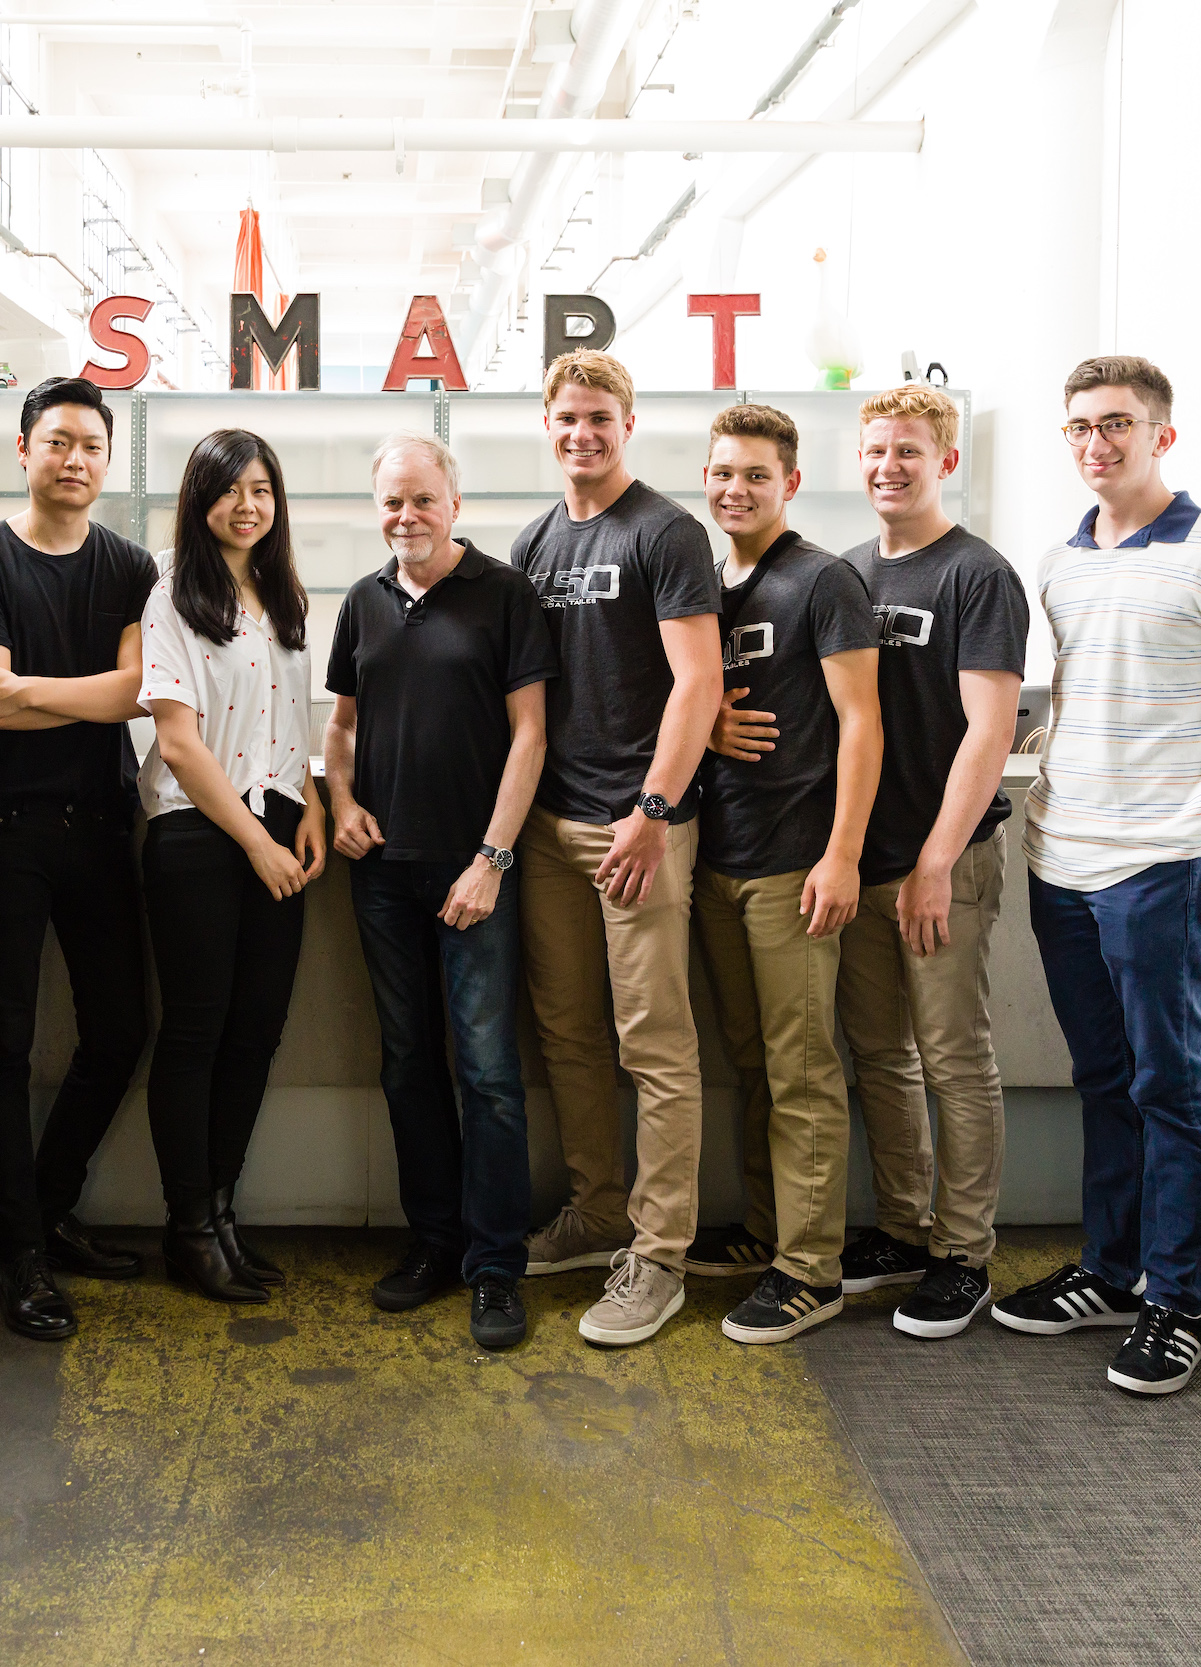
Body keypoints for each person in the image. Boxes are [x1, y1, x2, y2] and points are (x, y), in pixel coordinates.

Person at [992, 356, 1201, 1396]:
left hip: (1160, 863)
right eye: (1078, 426)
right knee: (1101, 1078)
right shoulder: (1061, 561)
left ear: (1162, 433)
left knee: (1167, 1082)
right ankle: (1111, 1272)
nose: (1094, 443)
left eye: (1116, 423)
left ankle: (1175, 1298)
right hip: (1060, 856)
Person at [508, 350, 724, 1350]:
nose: (580, 433)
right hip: (551, 826)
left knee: (655, 1045)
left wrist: (652, 806)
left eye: (598, 416)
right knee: (566, 1033)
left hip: (635, 824)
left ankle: (659, 1253)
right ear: (545, 424)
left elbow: (697, 683)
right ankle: (595, 1212)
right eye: (565, 417)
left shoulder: (665, 531)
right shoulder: (536, 539)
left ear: (627, 422)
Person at [326, 432, 556, 1352]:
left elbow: (530, 735)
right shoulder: (362, 601)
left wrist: (491, 860)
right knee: (407, 1063)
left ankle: (495, 1267)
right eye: (391, 503)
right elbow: (339, 724)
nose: (406, 517)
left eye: (422, 499)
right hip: (383, 873)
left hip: (476, 872)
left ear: (453, 502)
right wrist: (340, 800)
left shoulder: (503, 595)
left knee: (490, 1074)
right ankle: (435, 1242)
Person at [0, 377, 158, 1342]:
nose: (75, 461)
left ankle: (46, 1203)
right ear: (23, 449)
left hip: (103, 822)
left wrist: (33, 688)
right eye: (59, 442)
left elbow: (136, 696)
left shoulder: (131, 565)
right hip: (3, 825)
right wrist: (88, 691)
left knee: (121, 1027)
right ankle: (17, 1255)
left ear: (107, 463)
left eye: (92, 448)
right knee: (5, 1041)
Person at [826, 385, 1029, 1340]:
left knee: (953, 1055)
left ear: (945, 461)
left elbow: (989, 732)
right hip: (864, 861)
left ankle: (963, 1251)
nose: (888, 466)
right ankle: (904, 1229)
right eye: (874, 450)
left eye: (908, 450)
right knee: (880, 1053)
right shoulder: (853, 574)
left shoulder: (976, 575)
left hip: (943, 859)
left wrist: (937, 860)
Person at [691, 403, 882, 1346]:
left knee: (803, 1068)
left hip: (794, 862)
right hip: (717, 857)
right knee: (751, 1061)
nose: (737, 489)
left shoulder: (823, 579)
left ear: (790, 483)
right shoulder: (705, 580)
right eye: (723, 472)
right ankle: (770, 1234)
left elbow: (861, 720)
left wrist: (841, 851)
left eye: (756, 475)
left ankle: (812, 1269)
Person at [136, 428, 327, 1304]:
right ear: (199, 497)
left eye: (262, 489)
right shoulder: (173, 592)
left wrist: (312, 808)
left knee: (256, 1031)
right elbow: (177, 741)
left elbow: (295, 720)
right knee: (197, 1031)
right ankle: (186, 1224)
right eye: (230, 490)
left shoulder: (284, 596)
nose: (248, 506)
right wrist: (257, 844)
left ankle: (221, 1211)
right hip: (202, 832)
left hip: (282, 822)